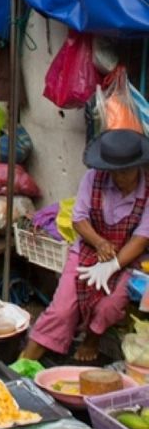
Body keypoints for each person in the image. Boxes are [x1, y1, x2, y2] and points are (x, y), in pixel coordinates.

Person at [21, 129, 149, 363]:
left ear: (139, 166)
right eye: (114, 172)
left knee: (108, 306)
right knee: (62, 309)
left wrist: (113, 265)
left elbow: (141, 238)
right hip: (90, 247)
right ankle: (26, 360)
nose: (119, 178)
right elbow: (79, 219)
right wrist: (99, 242)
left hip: (129, 256)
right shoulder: (93, 178)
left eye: (125, 172)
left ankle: (92, 339)